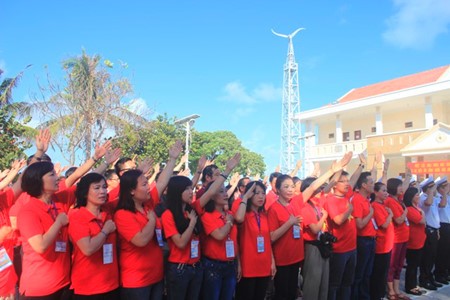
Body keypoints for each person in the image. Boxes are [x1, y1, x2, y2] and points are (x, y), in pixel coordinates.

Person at [17, 162, 73, 299]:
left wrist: (99, 159)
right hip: (40, 289)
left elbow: (83, 182)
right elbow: (40, 246)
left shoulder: (58, 201)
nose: (57, 177)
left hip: (64, 283)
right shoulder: (28, 211)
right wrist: (58, 223)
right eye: (52, 174)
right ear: (38, 181)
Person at [68, 173, 119, 299]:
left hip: (111, 283)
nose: (102, 191)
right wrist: (105, 231)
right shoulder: (78, 216)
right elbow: (88, 249)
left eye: (104, 187)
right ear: (85, 193)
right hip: (88, 287)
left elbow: (127, 193)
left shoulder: (107, 213)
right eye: (97, 188)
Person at [200, 153, 241, 300]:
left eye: (225, 191)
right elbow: (219, 235)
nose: (225, 194)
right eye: (221, 191)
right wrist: (229, 222)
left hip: (230, 265)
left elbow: (235, 241)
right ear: (212, 195)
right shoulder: (207, 215)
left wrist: (238, 264)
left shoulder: (228, 213)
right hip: (213, 266)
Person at [161, 176, 203, 300]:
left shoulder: (191, 211)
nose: (191, 192)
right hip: (180, 269)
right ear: (177, 191)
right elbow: (180, 243)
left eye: (192, 188)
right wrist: (191, 224)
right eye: (187, 189)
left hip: (196, 266)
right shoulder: (168, 215)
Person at [233, 181, 275, 300]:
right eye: (256, 193)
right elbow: (239, 218)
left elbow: (267, 241)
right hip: (248, 266)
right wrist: (245, 197)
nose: (261, 196)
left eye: (263, 193)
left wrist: (272, 261)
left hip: (264, 264)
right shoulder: (244, 214)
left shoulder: (264, 215)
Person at [268, 174, 303, 300]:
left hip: (296, 256)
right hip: (282, 259)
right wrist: (290, 223)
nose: (290, 190)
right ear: (277, 189)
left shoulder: (294, 204)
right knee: (282, 294)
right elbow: (271, 237)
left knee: (292, 293)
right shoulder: (273, 209)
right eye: (286, 187)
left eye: (292, 187)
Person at [324, 171, 357, 300]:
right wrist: (349, 209)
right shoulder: (331, 200)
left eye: (346, 181)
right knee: (334, 284)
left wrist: (361, 165)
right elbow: (337, 220)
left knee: (347, 282)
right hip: (339, 249)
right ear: (334, 184)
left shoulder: (347, 196)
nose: (346, 183)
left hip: (352, 248)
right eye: (342, 181)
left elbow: (354, 179)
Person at [351, 172, 376, 300]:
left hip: (371, 240)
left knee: (367, 272)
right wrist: (370, 214)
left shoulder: (366, 199)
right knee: (360, 273)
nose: (373, 185)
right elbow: (359, 224)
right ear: (364, 185)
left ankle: (364, 296)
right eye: (371, 183)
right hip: (363, 241)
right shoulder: (357, 199)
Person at [385, 177, 410, 300]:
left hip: (404, 237)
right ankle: (391, 291)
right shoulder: (390, 201)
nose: (401, 189)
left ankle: (396, 288)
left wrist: (408, 177)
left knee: (399, 265)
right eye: (399, 186)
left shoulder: (399, 200)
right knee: (392, 265)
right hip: (396, 238)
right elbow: (399, 220)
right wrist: (405, 212)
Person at [369, 182, 394, 300]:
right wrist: (390, 215)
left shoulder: (383, 205)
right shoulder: (375, 205)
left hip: (387, 245)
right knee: (378, 273)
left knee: (384, 272)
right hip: (381, 246)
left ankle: (380, 294)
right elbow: (383, 224)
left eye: (386, 190)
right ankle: (376, 295)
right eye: (383, 190)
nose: (386, 193)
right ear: (376, 192)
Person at [418, 177, 442, 291]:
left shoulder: (433, 197)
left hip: (434, 229)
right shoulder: (423, 198)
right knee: (427, 256)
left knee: (433, 256)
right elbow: (428, 203)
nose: (435, 189)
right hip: (428, 230)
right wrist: (431, 192)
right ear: (428, 188)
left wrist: (437, 230)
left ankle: (430, 276)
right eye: (432, 187)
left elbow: (440, 207)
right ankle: (424, 279)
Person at [404, 187, 426, 296]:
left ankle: (413, 284)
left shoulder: (417, 208)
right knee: (412, 265)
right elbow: (422, 221)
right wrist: (422, 213)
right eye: (417, 195)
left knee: (416, 264)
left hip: (420, 240)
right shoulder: (410, 209)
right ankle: (410, 286)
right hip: (413, 242)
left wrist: (421, 212)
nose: (419, 197)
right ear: (411, 197)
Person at [435, 177, 450, 284]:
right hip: (442, 226)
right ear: (440, 188)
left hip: (448, 225)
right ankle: (439, 274)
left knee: (448, 252)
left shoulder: (447, 197)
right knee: (442, 252)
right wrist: (445, 194)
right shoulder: (437, 198)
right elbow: (442, 205)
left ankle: (446, 273)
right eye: (445, 187)